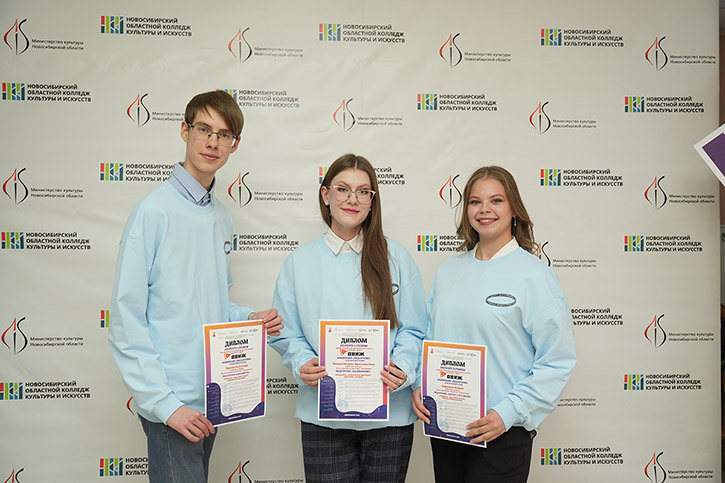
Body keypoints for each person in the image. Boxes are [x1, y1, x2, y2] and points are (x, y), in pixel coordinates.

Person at [108, 90, 283, 483]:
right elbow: (125, 318)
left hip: (212, 395)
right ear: (185, 131)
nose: (212, 142)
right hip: (173, 405)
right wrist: (165, 404)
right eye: (204, 129)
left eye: (223, 135)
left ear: (234, 144)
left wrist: (248, 319)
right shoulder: (153, 211)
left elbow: (212, 302)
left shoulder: (221, 217)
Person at [412, 166, 576, 483]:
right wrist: (420, 383)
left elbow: (557, 360)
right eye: (475, 202)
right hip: (448, 427)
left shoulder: (534, 275)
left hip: (502, 432)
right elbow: (429, 341)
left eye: (496, 200)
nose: (484, 209)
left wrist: (507, 413)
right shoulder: (448, 272)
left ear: (514, 209)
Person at [270, 153, 427, 483]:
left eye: (363, 191)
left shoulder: (397, 258)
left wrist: (403, 367)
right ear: (326, 195)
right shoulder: (300, 262)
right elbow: (286, 332)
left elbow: (415, 328)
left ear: (372, 200)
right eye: (343, 189)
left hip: (390, 416)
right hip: (324, 415)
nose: (352, 199)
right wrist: (302, 362)